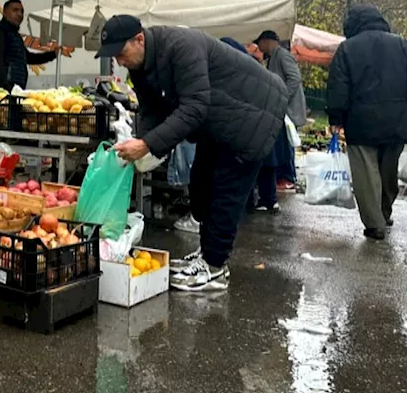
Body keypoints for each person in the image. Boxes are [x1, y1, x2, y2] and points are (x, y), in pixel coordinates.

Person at [98, 16, 288, 292]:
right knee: (200, 188)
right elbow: (151, 111)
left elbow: (195, 106)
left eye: (121, 53)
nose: (119, 60)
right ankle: (205, 254)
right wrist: (142, 145)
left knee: (224, 193)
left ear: (139, 39)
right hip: (218, 122)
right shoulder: (140, 66)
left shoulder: (181, 46)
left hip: (252, 117)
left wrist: (148, 145)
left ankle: (214, 268)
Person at [326, 5, 407, 241]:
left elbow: (338, 87)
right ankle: (384, 212)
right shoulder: (402, 45)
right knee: (388, 172)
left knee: (366, 175)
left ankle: (374, 222)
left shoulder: (347, 49)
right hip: (396, 122)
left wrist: (336, 118)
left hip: (360, 122)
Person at [252, 30, 307, 208]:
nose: (258, 48)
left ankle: (287, 177)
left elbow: (294, 78)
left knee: (285, 144)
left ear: (267, 41)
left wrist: (281, 97)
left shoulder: (282, 55)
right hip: (284, 112)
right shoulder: (274, 57)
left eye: (259, 43)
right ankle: (284, 178)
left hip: (287, 112)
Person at [0, 0, 58, 90]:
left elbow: (28, 57)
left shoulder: (15, 35)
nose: (20, 14)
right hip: (1, 91)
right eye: (15, 10)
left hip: (15, 89)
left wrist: (53, 54)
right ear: (5, 13)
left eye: (21, 11)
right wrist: (4, 87)